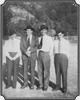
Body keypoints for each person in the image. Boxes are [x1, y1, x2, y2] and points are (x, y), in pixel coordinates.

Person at [37, 25, 53, 91]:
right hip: (40, 54)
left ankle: (45, 85)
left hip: (46, 54)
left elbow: (51, 47)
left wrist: (50, 55)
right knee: (39, 70)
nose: (42, 31)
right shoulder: (39, 38)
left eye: (44, 30)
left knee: (46, 71)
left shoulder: (49, 38)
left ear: (46, 31)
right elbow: (37, 47)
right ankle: (41, 84)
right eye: (41, 30)